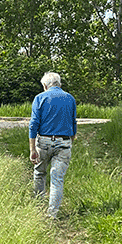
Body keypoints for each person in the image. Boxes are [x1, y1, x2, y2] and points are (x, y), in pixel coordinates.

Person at [29, 72, 78, 219]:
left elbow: (33, 125)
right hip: (64, 142)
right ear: (59, 83)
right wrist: (72, 138)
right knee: (57, 179)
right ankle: (52, 215)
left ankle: (38, 208)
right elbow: (73, 121)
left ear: (45, 85)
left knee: (39, 173)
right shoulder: (70, 98)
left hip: (44, 142)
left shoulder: (40, 98)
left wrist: (32, 149)